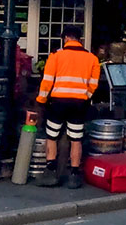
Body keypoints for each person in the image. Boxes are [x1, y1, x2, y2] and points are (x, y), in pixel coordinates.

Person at [35, 25, 100, 189]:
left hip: (58, 102)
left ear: (65, 39)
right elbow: (93, 84)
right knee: (76, 139)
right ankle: (74, 174)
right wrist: (86, 97)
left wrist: (41, 99)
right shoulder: (92, 58)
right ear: (80, 39)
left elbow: (47, 81)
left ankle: (50, 171)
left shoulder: (56, 56)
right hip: (79, 103)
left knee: (52, 136)